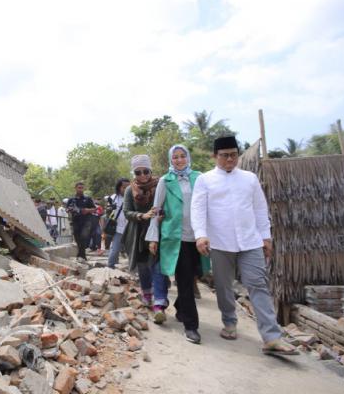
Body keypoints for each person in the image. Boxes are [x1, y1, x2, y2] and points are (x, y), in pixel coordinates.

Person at [191, 136, 298, 355]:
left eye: (233, 154)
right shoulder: (205, 180)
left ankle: (272, 337)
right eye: (224, 155)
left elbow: (260, 208)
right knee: (223, 286)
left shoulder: (249, 179)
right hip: (220, 242)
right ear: (215, 156)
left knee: (258, 284)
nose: (230, 159)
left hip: (251, 241)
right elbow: (198, 209)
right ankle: (229, 322)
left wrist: (265, 237)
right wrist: (201, 235)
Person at [146, 144, 207, 343]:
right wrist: (154, 237)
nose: (179, 160)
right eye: (175, 157)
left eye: (182, 156)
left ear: (188, 158)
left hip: (198, 236)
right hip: (176, 236)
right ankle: (191, 326)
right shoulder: (166, 180)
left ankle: (181, 308)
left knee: (195, 275)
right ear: (170, 160)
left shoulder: (199, 177)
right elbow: (157, 209)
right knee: (184, 279)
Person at [122, 155, 169, 311]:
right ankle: (147, 294)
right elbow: (127, 211)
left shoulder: (161, 185)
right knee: (142, 267)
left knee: (157, 266)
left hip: (158, 232)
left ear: (150, 170)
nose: (142, 175)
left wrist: (161, 215)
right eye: (138, 172)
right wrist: (141, 215)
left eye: (145, 171)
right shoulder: (130, 189)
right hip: (138, 235)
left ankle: (160, 302)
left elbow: (167, 205)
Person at [67, 182, 96, 260]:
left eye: (82, 188)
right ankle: (81, 254)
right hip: (76, 221)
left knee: (83, 237)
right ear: (75, 188)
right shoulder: (71, 199)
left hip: (86, 221)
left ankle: (81, 255)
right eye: (79, 188)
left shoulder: (88, 199)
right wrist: (70, 210)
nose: (80, 189)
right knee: (77, 238)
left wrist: (87, 210)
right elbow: (67, 209)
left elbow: (94, 209)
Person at [107, 178, 130, 268]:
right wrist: (110, 209)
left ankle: (134, 268)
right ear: (119, 187)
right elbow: (108, 212)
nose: (126, 189)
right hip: (118, 228)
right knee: (115, 249)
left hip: (130, 227)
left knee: (131, 250)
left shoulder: (133, 197)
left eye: (128, 187)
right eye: (124, 187)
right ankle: (110, 267)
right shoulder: (114, 197)